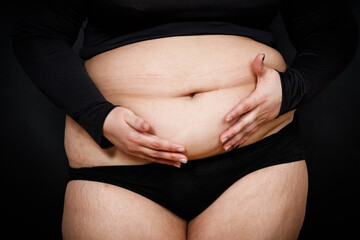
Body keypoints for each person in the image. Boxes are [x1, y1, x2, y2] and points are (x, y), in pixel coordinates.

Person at [12, 0, 358, 239]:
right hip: (117, 165)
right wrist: (97, 115)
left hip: (256, 160)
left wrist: (293, 89)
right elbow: (37, 31)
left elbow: (330, 27)